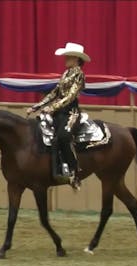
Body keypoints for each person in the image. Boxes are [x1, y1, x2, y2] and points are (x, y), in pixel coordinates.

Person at [27, 42, 90, 190]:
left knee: (63, 136)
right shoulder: (65, 73)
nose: (65, 59)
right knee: (43, 133)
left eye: (68, 56)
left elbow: (70, 96)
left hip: (71, 113)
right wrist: (36, 106)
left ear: (76, 58)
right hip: (59, 112)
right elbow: (55, 93)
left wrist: (52, 107)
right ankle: (53, 169)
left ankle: (75, 172)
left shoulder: (79, 74)